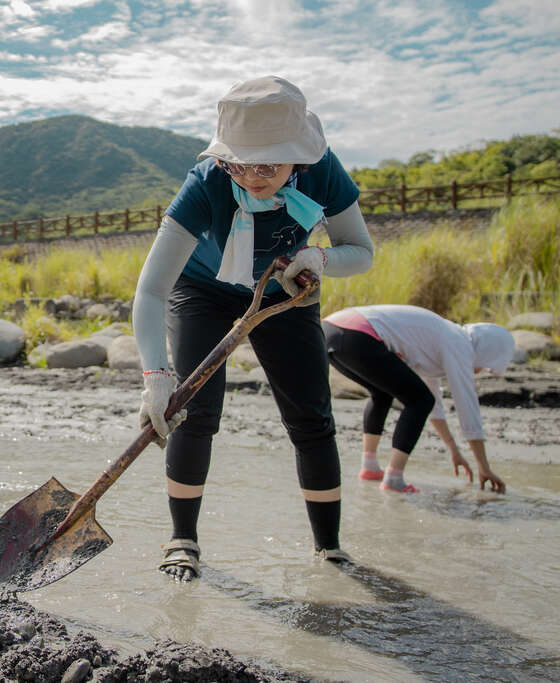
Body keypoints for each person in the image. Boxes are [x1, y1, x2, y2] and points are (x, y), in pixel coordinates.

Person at [134, 75, 374, 581]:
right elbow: (152, 290)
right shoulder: (206, 182)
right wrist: (157, 377)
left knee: (311, 417)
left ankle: (328, 548)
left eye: (267, 164)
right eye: (237, 163)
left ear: (299, 156)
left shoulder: (323, 173)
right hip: (203, 292)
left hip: (284, 289)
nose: (251, 176)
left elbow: (362, 252)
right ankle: (182, 540)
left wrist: (319, 257)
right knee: (195, 414)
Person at [322, 304, 514, 494]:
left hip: (330, 331)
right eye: (487, 365)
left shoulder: (441, 341)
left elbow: (434, 405)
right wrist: (484, 467)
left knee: (385, 393)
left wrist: (453, 450)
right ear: (488, 350)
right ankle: (394, 479)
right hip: (357, 334)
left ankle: (370, 468)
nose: (481, 371)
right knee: (418, 400)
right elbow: (467, 406)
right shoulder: (459, 344)